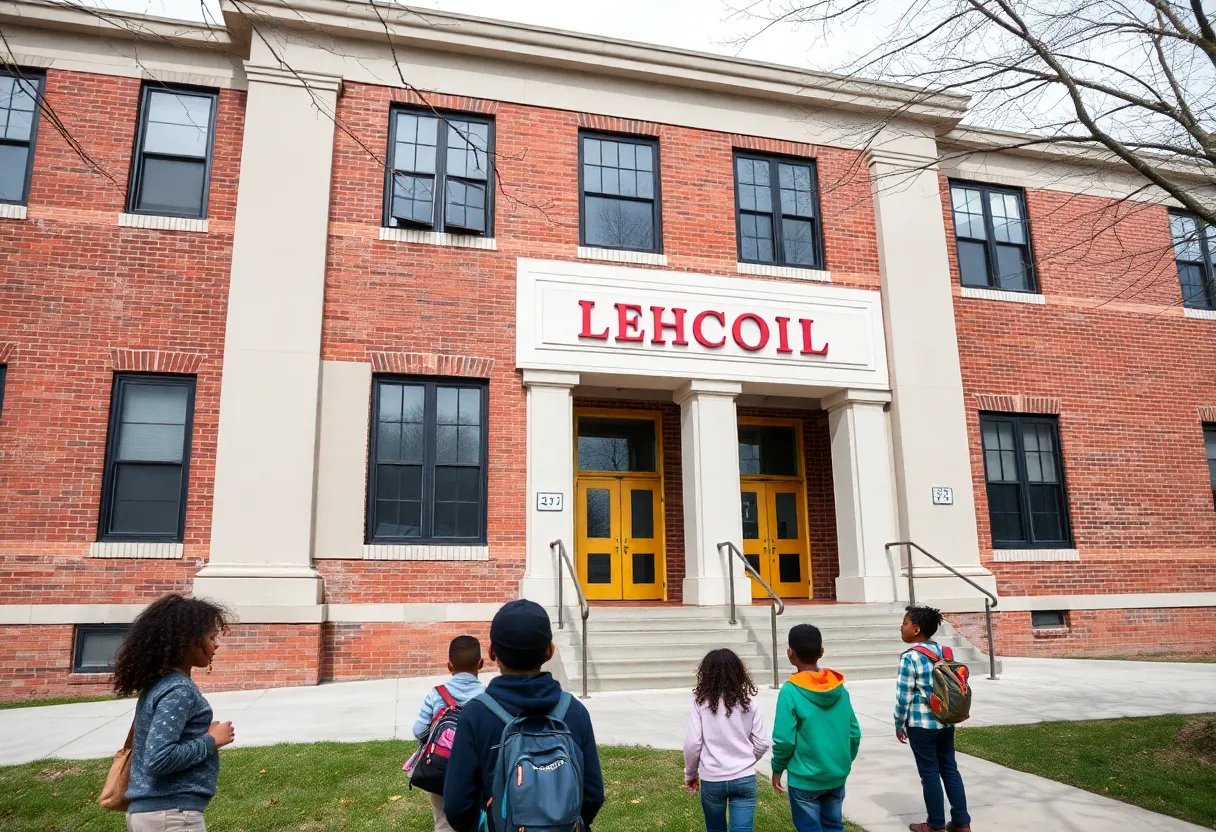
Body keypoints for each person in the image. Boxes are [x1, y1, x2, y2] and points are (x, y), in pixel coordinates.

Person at [443, 599, 604, 832]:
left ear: (491, 652)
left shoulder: (476, 714)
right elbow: (592, 795)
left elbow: (457, 805)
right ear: (550, 651)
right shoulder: (575, 711)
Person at [111, 594, 234, 832]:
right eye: (211, 637)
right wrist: (211, 740)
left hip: (158, 814)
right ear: (187, 641)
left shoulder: (162, 684)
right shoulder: (178, 690)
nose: (216, 644)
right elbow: (158, 759)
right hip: (171, 816)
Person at [771, 623, 861, 832]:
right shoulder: (839, 689)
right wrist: (843, 760)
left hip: (805, 779)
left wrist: (777, 767)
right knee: (833, 825)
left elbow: (784, 740)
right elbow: (854, 733)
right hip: (836, 773)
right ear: (821, 652)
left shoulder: (790, 691)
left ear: (790, 653)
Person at [895, 605, 971, 832]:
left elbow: (903, 697)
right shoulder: (945, 653)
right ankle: (961, 823)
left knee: (929, 773)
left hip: (921, 724)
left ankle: (935, 825)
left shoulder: (910, 657)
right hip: (946, 720)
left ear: (916, 629)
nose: (902, 626)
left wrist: (899, 724)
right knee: (949, 769)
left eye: (905, 623)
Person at [683, 648, 771, 832]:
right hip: (744, 777)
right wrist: (744, 760)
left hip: (713, 778)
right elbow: (762, 742)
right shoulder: (749, 702)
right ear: (738, 673)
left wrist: (691, 773)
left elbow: (693, 743)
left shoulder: (700, 702)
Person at [411, 635, 487, 832]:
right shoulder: (488, 697)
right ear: (481, 663)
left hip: (441, 771)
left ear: (449, 666)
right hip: (477, 770)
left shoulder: (435, 694)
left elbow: (418, 731)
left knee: (443, 821)